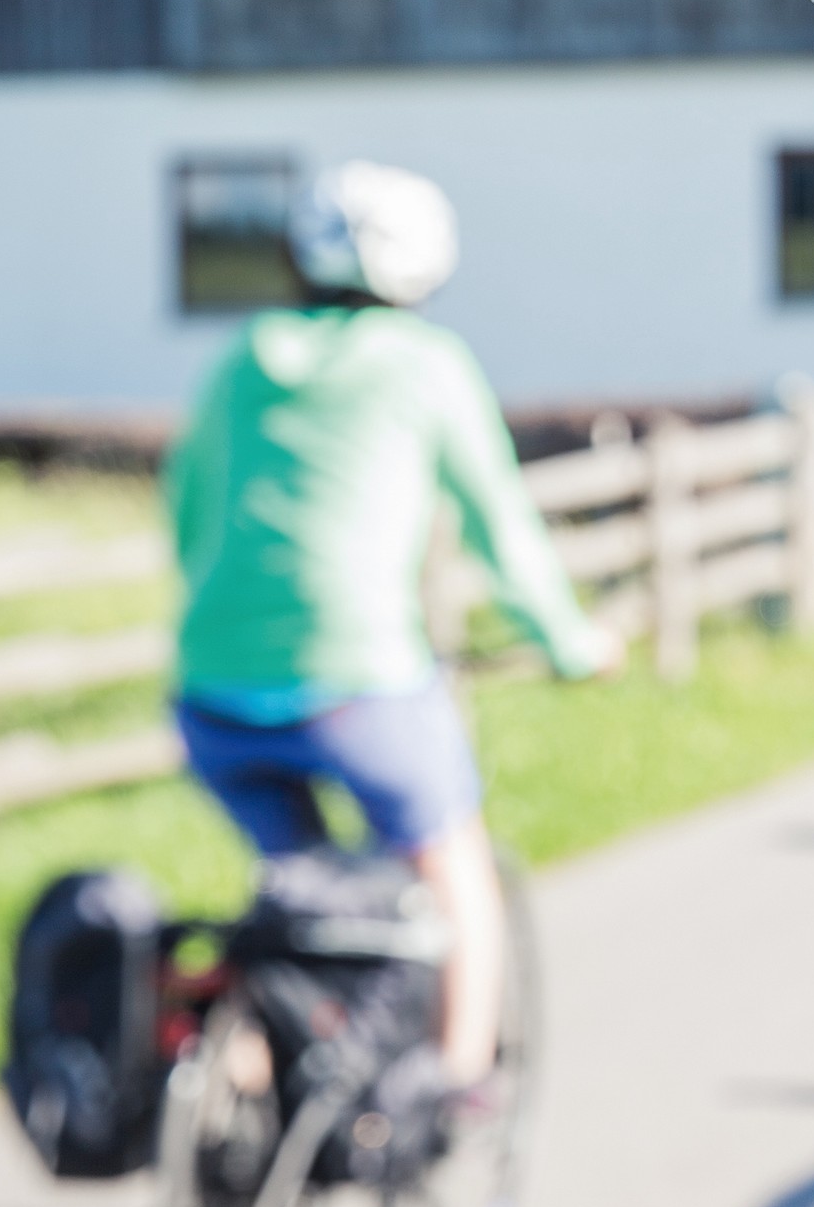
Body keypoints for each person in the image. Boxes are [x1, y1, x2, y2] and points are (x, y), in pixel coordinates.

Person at [163, 160, 621, 1084]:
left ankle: (242, 1082)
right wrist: (571, 644)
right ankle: (455, 1086)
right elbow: (503, 530)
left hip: (211, 691)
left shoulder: (241, 358)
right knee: (455, 868)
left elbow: (184, 512)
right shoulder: (427, 366)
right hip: (358, 687)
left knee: (293, 888)